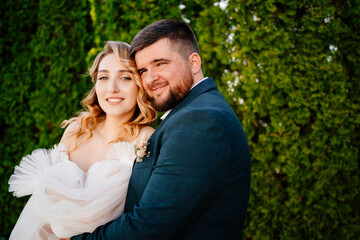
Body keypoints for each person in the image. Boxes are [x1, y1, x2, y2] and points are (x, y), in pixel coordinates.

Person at [71, 19, 251, 240]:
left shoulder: (200, 120)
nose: (150, 78)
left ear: (194, 62)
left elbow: (150, 225)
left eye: (161, 64)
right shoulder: (193, 112)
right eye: (143, 70)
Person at [8, 41, 157, 240]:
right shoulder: (77, 130)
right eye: (103, 77)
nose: (112, 88)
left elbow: (144, 215)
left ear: (139, 85)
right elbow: (40, 208)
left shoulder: (146, 138)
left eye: (125, 77)